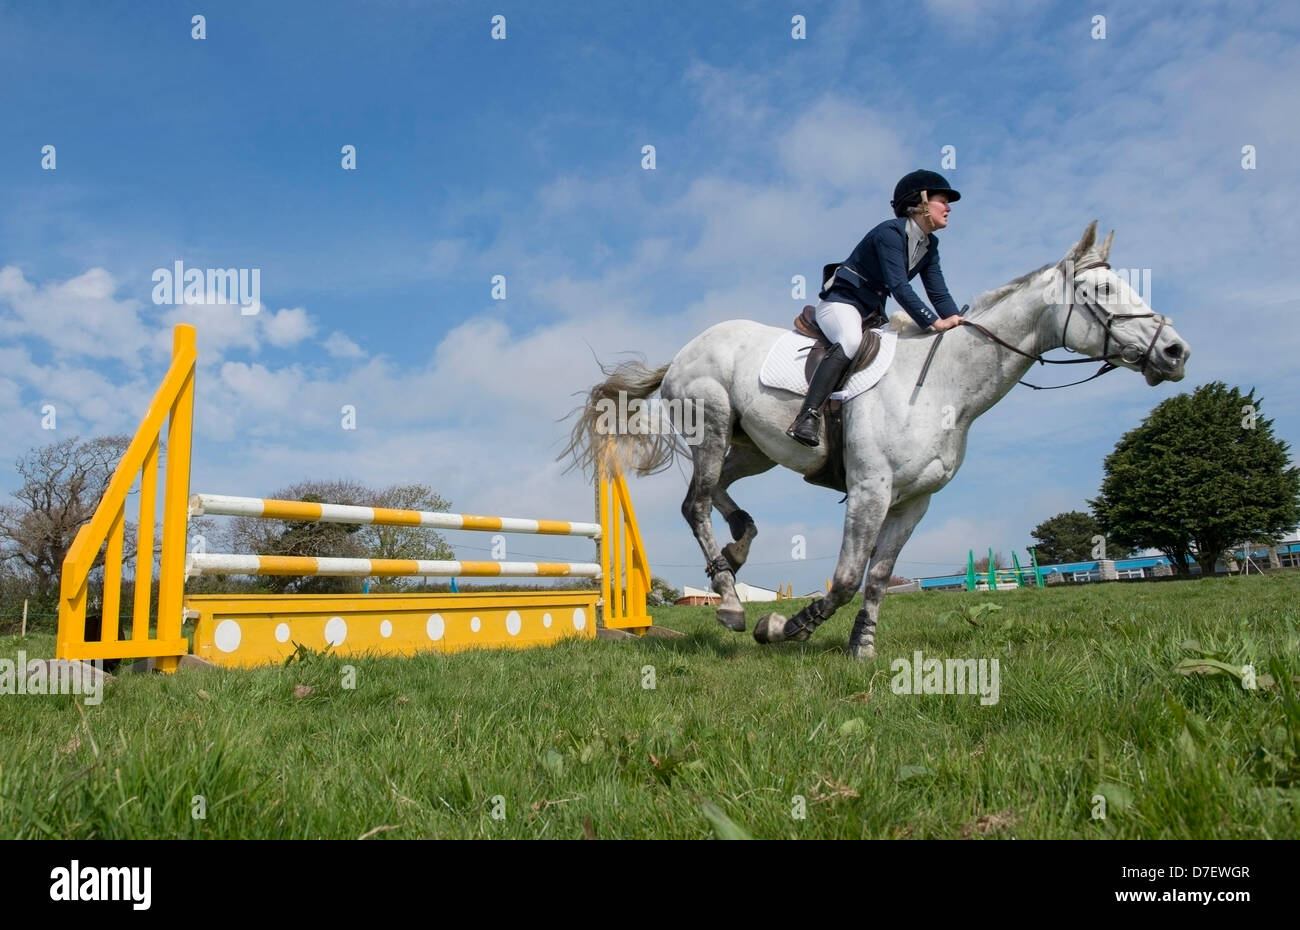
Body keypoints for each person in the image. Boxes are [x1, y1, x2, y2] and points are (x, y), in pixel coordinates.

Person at [786, 169, 965, 447]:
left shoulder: (930, 245)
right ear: (921, 202)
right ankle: (806, 416)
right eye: (943, 201)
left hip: (871, 315)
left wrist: (958, 321)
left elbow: (938, 291)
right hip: (840, 304)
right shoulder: (889, 233)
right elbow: (899, 286)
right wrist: (933, 322)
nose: (949, 208)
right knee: (850, 340)